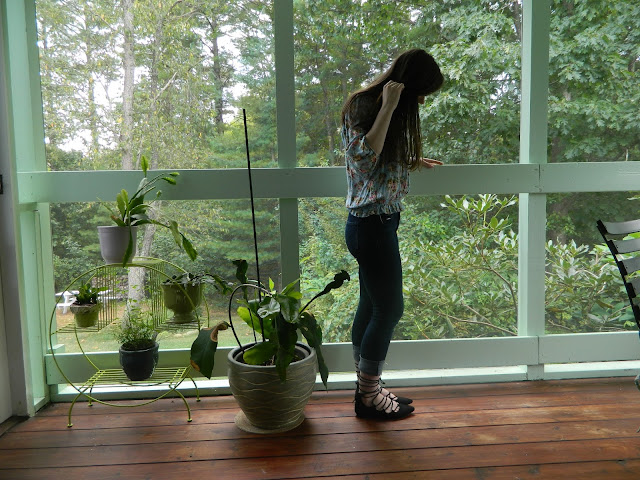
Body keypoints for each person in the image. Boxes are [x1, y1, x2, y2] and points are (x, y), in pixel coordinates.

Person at [341, 48, 444, 420]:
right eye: (421, 93)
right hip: (370, 225)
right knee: (389, 309)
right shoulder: (364, 105)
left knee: (371, 306)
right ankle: (369, 398)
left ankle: (366, 389)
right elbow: (362, 159)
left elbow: (380, 157)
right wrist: (388, 105)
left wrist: (410, 160)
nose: (421, 102)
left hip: (381, 222)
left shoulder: (391, 108)